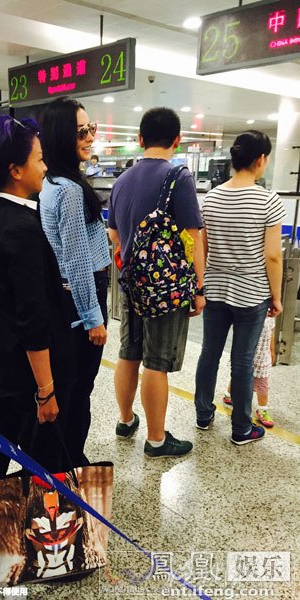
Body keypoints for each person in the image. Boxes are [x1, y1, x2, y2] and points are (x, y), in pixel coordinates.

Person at [0, 116, 72, 482]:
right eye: (39, 159)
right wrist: (46, 390)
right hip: (28, 378)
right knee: (47, 465)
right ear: (15, 170)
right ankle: (44, 520)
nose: (45, 167)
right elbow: (32, 317)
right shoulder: (22, 229)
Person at [108, 107, 205, 458]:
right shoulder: (179, 177)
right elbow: (192, 238)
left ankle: (125, 420)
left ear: (140, 139)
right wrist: (198, 288)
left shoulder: (121, 181)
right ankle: (157, 439)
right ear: (177, 140)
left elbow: (114, 235)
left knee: (129, 352)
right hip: (165, 287)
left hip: (131, 282)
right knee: (156, 361)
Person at [195, 130, 285, 445]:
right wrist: (276, 296)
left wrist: (202, 285)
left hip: (216, 289)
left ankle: (203, 415)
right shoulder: (268, 200)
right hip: (252, 293)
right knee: (243, 360)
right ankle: (241, 429)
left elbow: (204, 248)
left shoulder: (211, 198)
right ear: (260, 160)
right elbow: (273, 256)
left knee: (209, 353)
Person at [39, 96, 110, 466]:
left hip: (67, 298)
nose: (90, 137)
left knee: (71, 387)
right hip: (81, 296)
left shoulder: (52, 181)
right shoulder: (68, 189)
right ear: (60, 136)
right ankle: (69, 466)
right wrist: (92, 317)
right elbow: (77, 260)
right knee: (79, 390)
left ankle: (63, 463)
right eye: (81, 131)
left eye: (90, 128)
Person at [223, 315, 276, 428]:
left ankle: (262, 409)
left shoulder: (270, 316)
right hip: (246, 353)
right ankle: (228, 395)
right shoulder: (250, 313)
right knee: (239, 376)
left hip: (262, 356)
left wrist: (272, 350)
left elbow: (271, 332)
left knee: (262, 384)